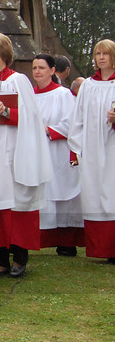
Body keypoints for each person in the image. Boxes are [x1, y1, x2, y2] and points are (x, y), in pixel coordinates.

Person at [0, 32, 52, 278]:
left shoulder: (18, 81)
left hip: (13, 150)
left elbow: (32, 119)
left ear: (4, 54)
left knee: (15, 203)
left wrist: (5, 111)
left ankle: (19, 256)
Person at [31, 54, 84, 256]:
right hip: (37, 152)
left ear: (52, 71)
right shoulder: (29, 95)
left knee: (62, 191)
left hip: (57, 150)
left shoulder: (63, 95)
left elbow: (71, 123)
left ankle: (66, 242)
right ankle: (42, 237)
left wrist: (46, 130)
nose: (37, 72)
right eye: (35, 68)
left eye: (42, 68)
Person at [68, 39, 115, 263]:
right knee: (94, 194)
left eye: (105, 53)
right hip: (92, 148)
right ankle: (102, 249)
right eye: (97, 53)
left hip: (112, 146)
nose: (101, 57)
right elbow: (77, 117)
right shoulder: (87, 84)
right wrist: (78, 147)